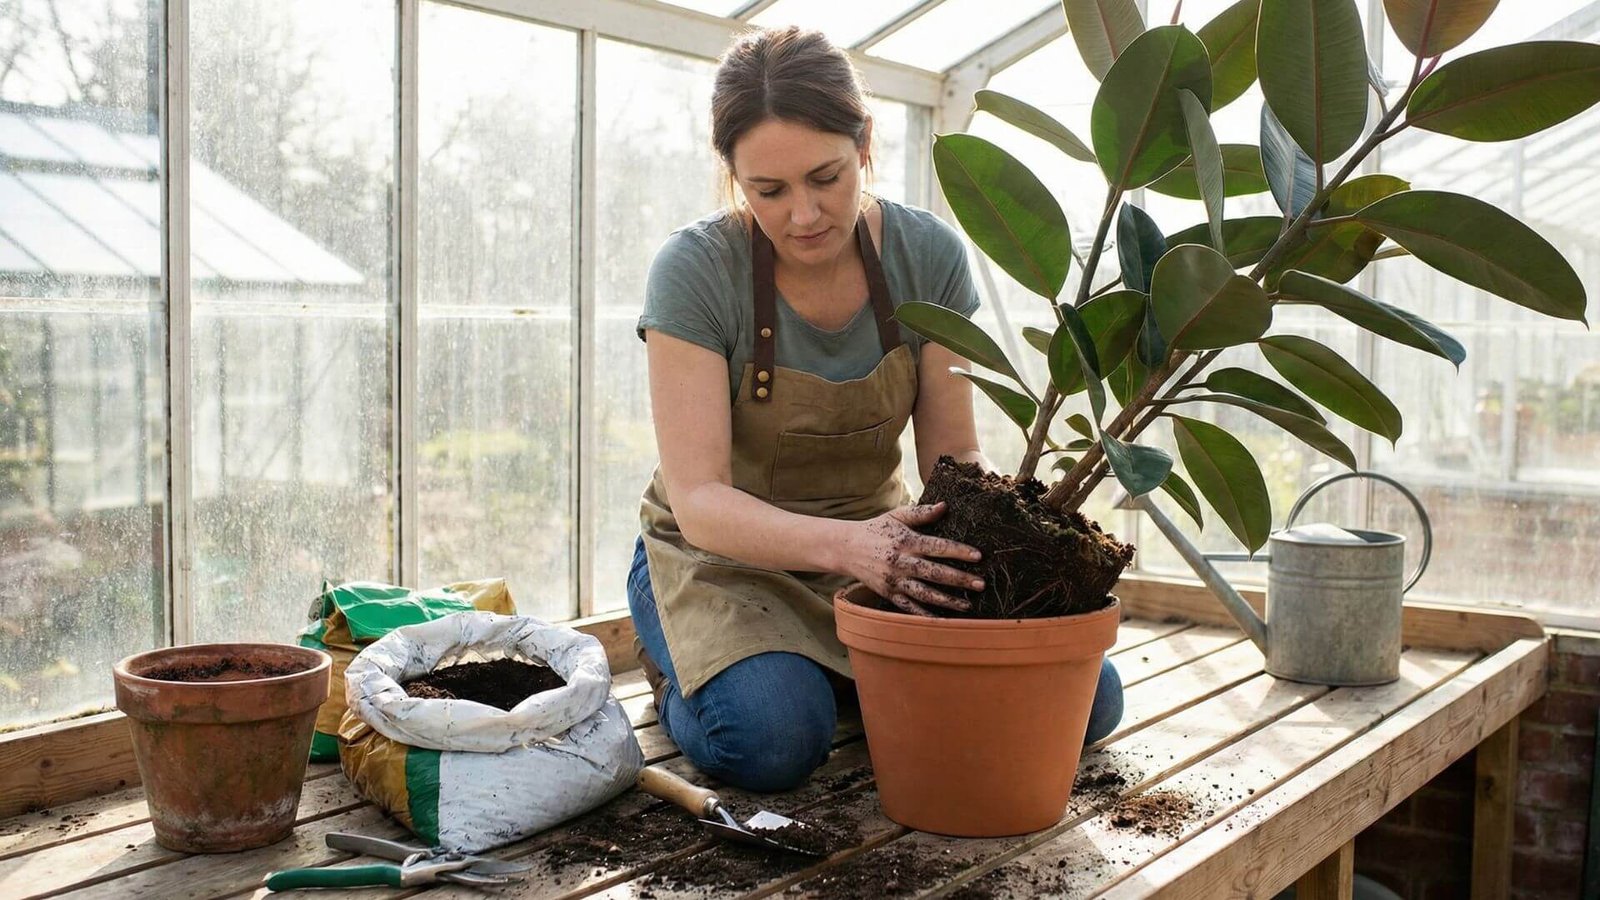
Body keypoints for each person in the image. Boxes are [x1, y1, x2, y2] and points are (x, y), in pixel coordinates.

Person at [628, 25, 1122, 793]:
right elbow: (699, 500)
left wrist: (1033, 532)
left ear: (864, 144)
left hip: (889, 547)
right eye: (770, 191)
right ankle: (679, 668)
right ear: (734, 179)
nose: (803, 215)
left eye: (825, 177)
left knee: (1090, 699)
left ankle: (831, 677)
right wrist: (853, 551)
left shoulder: (926, 255)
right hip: (723, 560)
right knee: (772, 740)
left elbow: (951, 459)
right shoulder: (696, 271)